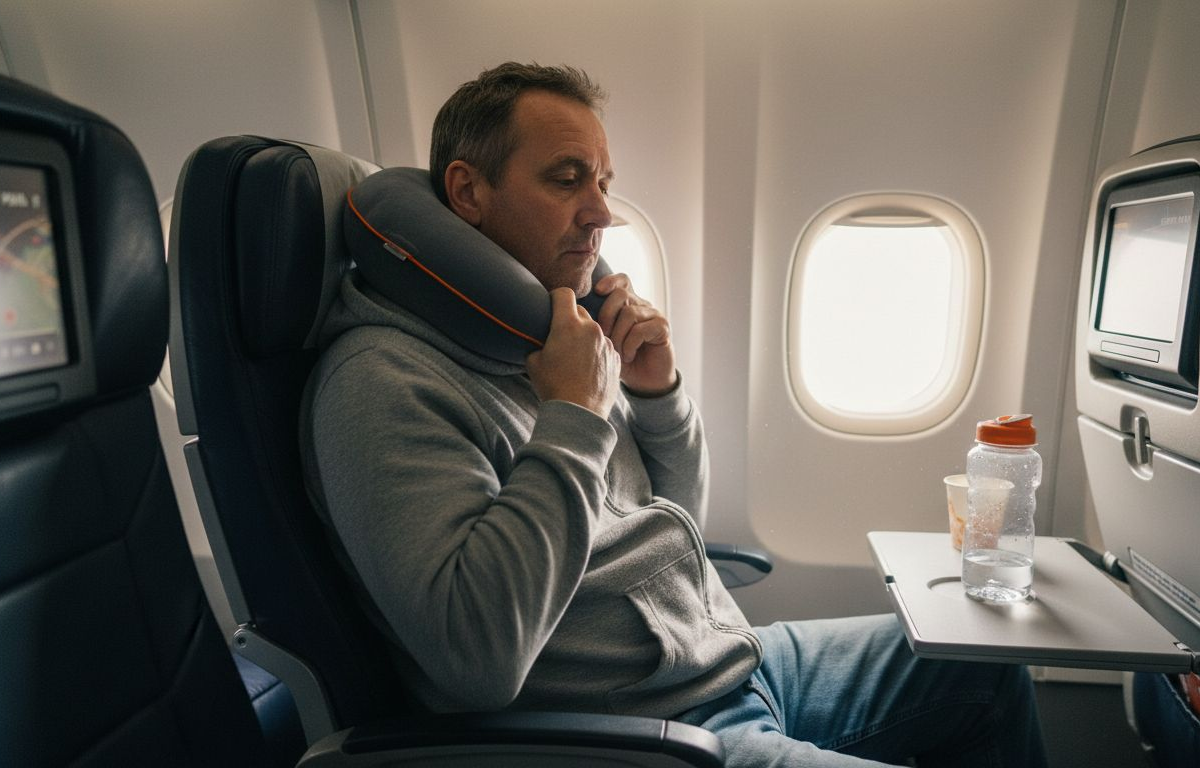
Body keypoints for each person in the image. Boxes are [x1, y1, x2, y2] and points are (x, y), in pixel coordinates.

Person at [300, 62, 1046, 767]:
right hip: (643, 731)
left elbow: (675, 514)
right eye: (567, 180)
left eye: (602, 181)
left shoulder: (533, 335)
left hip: (727, 661)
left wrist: (656, 396)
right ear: (468, 192)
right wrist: (575, 414)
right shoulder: (383, 382)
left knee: (986, 670)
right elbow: (477, 657)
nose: (601, 212)